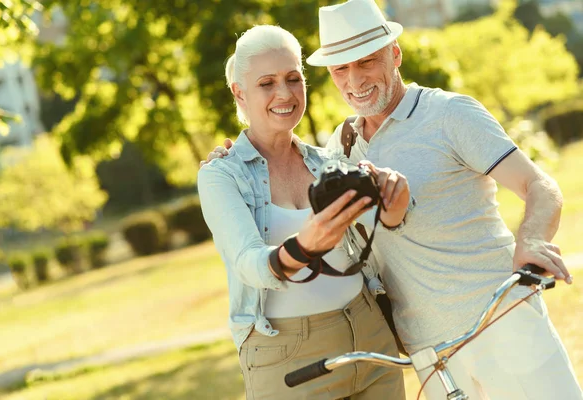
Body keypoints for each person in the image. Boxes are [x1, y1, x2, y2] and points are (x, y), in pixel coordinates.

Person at [201, 1, 583, 399]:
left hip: (502, 320)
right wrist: (229, 160)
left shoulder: (450, 114)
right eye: (340, 69)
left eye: (366, 62)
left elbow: (539, 186)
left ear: (395, 54)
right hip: (427, 353)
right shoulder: (338, 150)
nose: (355, 80)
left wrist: (534, 239)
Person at [197, 24, 411, 400]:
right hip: (287, 357)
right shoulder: (221, 175)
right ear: (239, 92)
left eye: (293, 79)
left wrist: (393, 208)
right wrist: (304, 247)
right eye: (267, 83)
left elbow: (375, 237)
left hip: (368, 333)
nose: (285, 93)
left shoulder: (329, 159)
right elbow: (248, 262)